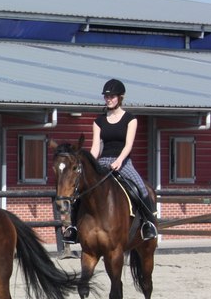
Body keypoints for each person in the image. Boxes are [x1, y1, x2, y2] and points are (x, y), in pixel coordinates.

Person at [62, 78, 158, 243]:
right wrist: (90, 163)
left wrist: (120, 160)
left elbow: (128, 145)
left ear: (120, 98)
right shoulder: (98, 121)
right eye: (107, 97)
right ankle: (74, 228)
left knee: (141, 188)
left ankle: (148, 224)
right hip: (103, 161)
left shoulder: (130, 119)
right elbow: (95, 148)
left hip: (124, 162)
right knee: (80, 191)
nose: (109, 99)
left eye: (112, 96)